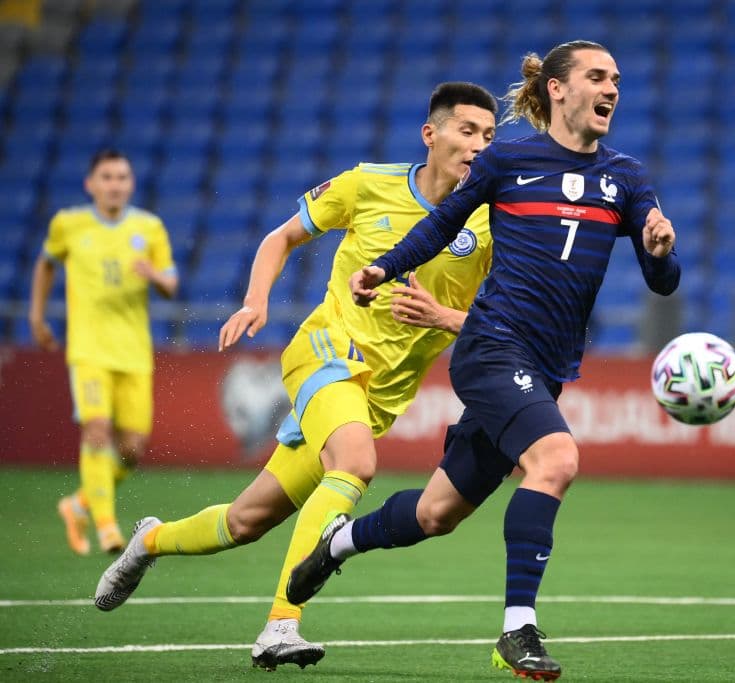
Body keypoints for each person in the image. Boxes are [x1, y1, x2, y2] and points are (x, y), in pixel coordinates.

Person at [289, 40, 680, 682]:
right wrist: (386, 266)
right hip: (492, 347)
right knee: (556, 460)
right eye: (597, 76)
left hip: (546, 366)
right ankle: (517, 631)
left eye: (617, 79)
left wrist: (660, 249)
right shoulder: (508, 159)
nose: (612, 88)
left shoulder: (626, 177)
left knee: (435, 514)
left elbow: (661, 280)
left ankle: (337, 542)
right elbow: (441, 225)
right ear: (557, 88)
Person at [92, 82, 499, 672]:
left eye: (489, 136)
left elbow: (499, 320)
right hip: (324, 351)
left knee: (244, 522)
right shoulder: (367, 183)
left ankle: (148, 541)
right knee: (355, 463)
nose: (479, 146)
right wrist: (256, 300)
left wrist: (444, 318)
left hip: (378, 396)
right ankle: (281, 624)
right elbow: (281, 236)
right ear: (431, 134)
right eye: (467, 132)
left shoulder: (489, 223)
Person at [29, 149, 179, 557]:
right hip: (89, 350)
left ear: (131, 184)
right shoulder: (69, 225)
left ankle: (78, 504)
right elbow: (45, 264)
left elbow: (171, 283)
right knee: (96, 431)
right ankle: (107, 527)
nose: (115, 184)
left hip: (133, 352)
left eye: (122, 177)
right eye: (107, 177)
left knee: (131, 450)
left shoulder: (149, 228)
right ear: (90, 184)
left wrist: (154, 276)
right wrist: (37, 316)